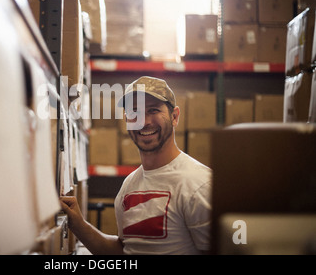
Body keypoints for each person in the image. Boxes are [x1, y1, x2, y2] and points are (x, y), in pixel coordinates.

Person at [61, 76, 212, 255]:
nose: (144, 121)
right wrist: (78, 224)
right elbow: (124, 251)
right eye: (135, 112)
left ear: (174, 117)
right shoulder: (129, 186)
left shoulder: (199, 184)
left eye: (153, 110)